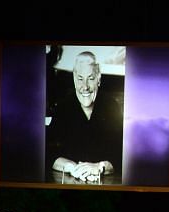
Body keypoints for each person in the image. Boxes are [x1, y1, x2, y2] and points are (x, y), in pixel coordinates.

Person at [46, 51, 123, 183]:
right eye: (80, 79)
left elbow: (122, 155)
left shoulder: (112, 106)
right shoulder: (63, 107)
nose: (85, 87)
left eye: (91, 78)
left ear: (99, 78)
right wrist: (72, 167)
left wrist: (99, 167)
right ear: (74, 79)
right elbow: (48, 153)